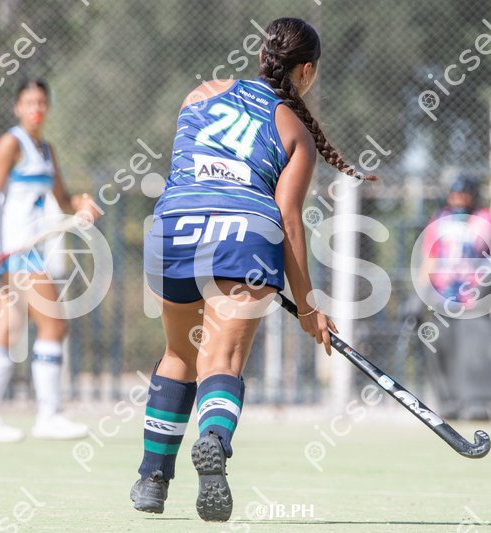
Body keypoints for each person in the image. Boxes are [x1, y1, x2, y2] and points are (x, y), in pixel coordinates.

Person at [132, 17, 377, 522]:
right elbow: (288, 220)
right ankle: (213, 439)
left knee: (180, 353)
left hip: (175, 229)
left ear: (262, 55)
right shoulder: (296, 132)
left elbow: (188, 168)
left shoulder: (200, 93)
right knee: (220, 361)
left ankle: (152, 479)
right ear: (306, 71)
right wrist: (308, 306)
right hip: (245, 236)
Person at [0, 79, 96, 442]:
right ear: (17, 107)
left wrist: (83, 204)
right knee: (54, 326)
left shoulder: (47, 150)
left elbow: (64, 199)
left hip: (35, 250)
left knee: (8, 329)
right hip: (19, 251)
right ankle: (49, 416)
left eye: (41, 102)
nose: (35, 108)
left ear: (47, 107)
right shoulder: (10, 144)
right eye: (28, 102)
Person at [417, 174, 491, 420]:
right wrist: (422, 292)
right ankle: (449, 403)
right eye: (455, 194)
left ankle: (478, 403)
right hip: (443, 299)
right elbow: (430, 259)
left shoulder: (487, 221)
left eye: (463, 195)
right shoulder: (439, 221)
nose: (458, 199)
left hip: (474, 301)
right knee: (441, 349)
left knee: (475, 353)